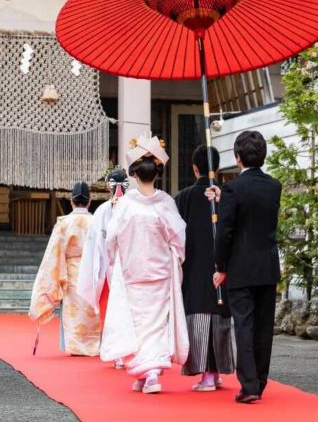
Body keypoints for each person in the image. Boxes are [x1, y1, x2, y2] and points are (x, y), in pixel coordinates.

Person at [101, 134, 189, 394]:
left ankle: (149, 373)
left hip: (133, 273)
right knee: (156, 324)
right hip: (159, 273)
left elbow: (111, 241)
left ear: (135, 176)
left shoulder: (126, 205)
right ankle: (145, 372)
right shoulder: (165, 203)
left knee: (137, 324)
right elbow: (179, 240)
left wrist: (115, 263)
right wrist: (177, 260)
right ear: (156, 174)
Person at [213, 131, 282, 404]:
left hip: (240, 267)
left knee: (244, 324)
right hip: (267, 264)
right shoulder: (274, 186)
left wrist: (221, 265)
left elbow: (225, 231)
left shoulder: (232, 189)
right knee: (264, 327)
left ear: (237, 157)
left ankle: (249, 385)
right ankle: (260, 383)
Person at [175, 145, 235, 391]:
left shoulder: (183, 198)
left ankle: (207, 376)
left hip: (194, 268)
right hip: (221, 267)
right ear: (217, 168)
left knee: (200, 315)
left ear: (194, 168)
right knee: (218, 313)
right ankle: (215, 372)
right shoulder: (227, 195)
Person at [29, 181, 101, 356]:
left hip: (73, 271)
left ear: (71, 201)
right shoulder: (97, 222)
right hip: (93, 270)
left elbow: (53, 255)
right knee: (93, 309)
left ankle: (76, 346)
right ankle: (97, 345)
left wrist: (56, 280)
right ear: (89, 202)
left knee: (75, 310)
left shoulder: (64, 223)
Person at [77, 167, 129, 368]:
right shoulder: (134, 206)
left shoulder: (101, 211)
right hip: (128, 267)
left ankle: (117, 353)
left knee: (112, 311)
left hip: (109, 268)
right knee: (130, 311)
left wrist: (96, 269)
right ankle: (130, 352)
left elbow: (95, 244)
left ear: (108, 186)